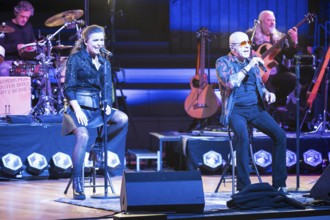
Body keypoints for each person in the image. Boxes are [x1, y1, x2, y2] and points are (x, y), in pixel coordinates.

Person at [215, 31, 288, 194]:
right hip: (235, 111)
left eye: (248, 42)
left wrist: (267, 94)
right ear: (232, 48)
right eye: (242, 44)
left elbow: (260, 86)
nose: (248, 45)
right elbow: (230, 82)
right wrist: (249, 65)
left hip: (256, 109)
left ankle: (279, 184)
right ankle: (244, 186)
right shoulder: (223, 62)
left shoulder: (253, 62)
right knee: (243, 137)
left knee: (280, 135)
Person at [62, 25, 128, 200]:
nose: (99, 43)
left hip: (96, 106)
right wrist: (77, 109)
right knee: (82, 136)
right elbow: (68, 88)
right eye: (96, 40)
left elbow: (107, 87)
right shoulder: (76, 59)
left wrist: (107, 103)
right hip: (77, 106)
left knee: (122, 118)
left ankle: (97, 147)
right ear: (86, 41)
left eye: (101, 40)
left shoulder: (104, 62)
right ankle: (78, 182)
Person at [246, 10, 299, 107]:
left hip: (275, 74)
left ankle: (277, 104)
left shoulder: (280, 37)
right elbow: (240, 48)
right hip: (259, 76)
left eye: (273, 20)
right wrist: (249, 53)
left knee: (292, 78)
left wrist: (294, 42)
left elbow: (289, 56)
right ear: (260, 22)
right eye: (268, 20)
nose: (272, 23)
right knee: (266, 93)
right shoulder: (250, 35)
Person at [0, 1, 36, 76]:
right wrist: (16, 47)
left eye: (27, 17)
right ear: (16, 13)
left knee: (42, 73)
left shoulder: (28, 26)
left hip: (25, 62)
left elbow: (32, 42)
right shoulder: (5, 26)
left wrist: (32, 48)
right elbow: (1, 47)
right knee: (3, 71)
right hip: (9, 61)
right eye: (22, 16)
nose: (25, 20)